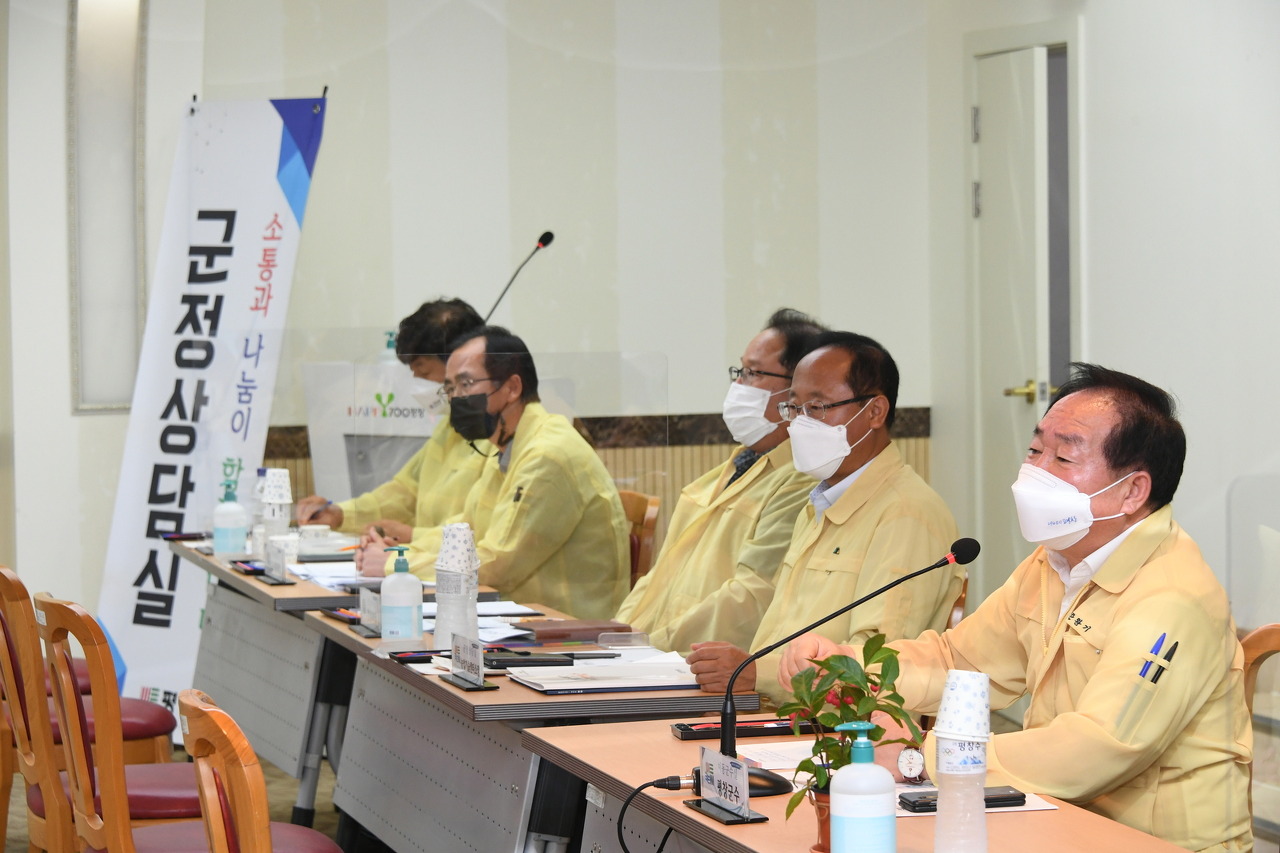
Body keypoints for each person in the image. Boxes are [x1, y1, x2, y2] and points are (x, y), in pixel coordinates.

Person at [780, 364, 1252, 852]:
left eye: (1063, 456)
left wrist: (920, 756)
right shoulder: (1055, 562)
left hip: (1153, 843)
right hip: (1058, 822)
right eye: (1034, 450)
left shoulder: (1173, 595)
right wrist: (849, 667)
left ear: (1132, 491)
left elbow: (1097, 749)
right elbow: (960, 662)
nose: (1036, 471)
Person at [688, 331, 960, 703]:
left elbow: (878, 664)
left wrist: (754, 673)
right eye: (794, 408)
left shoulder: (906, 514)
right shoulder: (820, 502)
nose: (799, 424)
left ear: (875, 412)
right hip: (770, 711)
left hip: (840, 729)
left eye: (816, 407)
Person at [354, 326, 631, 621]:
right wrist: (398, 553)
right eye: (450, 388)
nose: (457, 398)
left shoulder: (547, 456)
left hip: (566, 631)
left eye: (466, 384)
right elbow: (466, 532)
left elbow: (498, 565)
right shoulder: (506, 446)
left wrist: (397, 566)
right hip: (513, 621)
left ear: (512, 388)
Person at [615, 309, 825, 653]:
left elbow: (751, 597)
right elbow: (657, 579)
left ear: (797, 391)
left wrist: (647, 646)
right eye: (739, 371)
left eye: (753, 373)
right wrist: (614, 637)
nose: (738, 385)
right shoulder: (735, 466)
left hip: (701, 665)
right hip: (651, 656)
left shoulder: (803, 483)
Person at [294, 298, 488, 542]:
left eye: (424, 372)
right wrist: (340, 515)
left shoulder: (502, 437)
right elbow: (404, 492)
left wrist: (413, 536)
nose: (419, 385)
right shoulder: (449, 427)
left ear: (462, 363)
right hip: (428, 563)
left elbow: (486, 534)